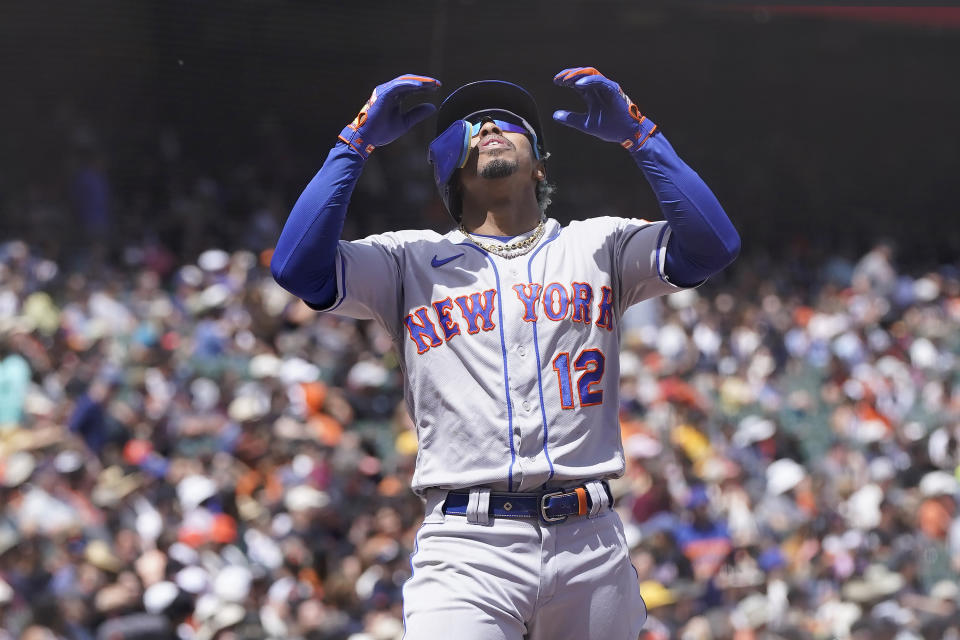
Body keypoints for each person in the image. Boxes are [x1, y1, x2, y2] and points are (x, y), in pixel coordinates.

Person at [271, 67, 740, 640]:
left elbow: (713, 246)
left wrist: (641, 135)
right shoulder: (406, 260)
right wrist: (355, 142)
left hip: (589, 539)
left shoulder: (598, 245)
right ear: (448, 165)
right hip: (467, 546)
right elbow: (297, 267)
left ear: (540, 162)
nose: (490, 124)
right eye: (470, 126)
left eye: (511, 122)